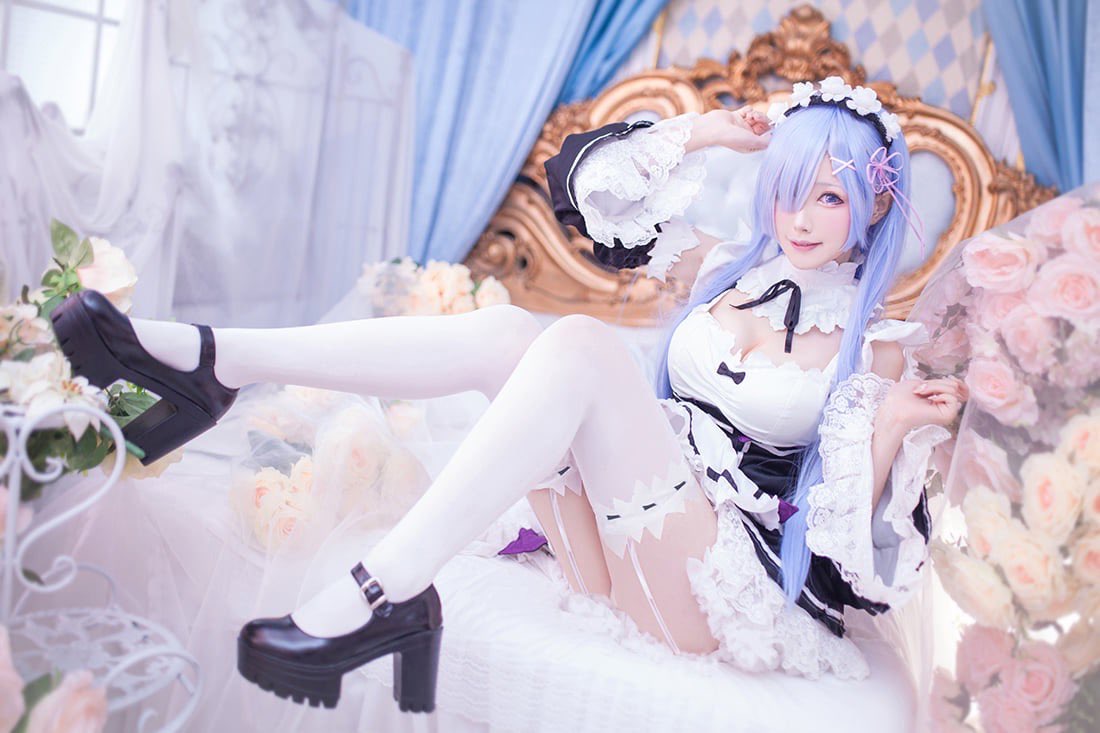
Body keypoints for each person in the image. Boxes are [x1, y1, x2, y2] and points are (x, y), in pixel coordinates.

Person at [48, 77, 966, 715]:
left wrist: (887, 432)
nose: (799, 218)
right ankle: (216, 362)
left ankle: (380, 592)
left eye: (830, 199)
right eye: (788, 191)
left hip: (710, 596)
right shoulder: (722, 270)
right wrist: (714, 130)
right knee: (507, 334)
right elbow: (589, 187)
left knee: (579, 345)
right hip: (614, 549)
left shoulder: (878, 348)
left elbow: (852, 563)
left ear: (876, 206)